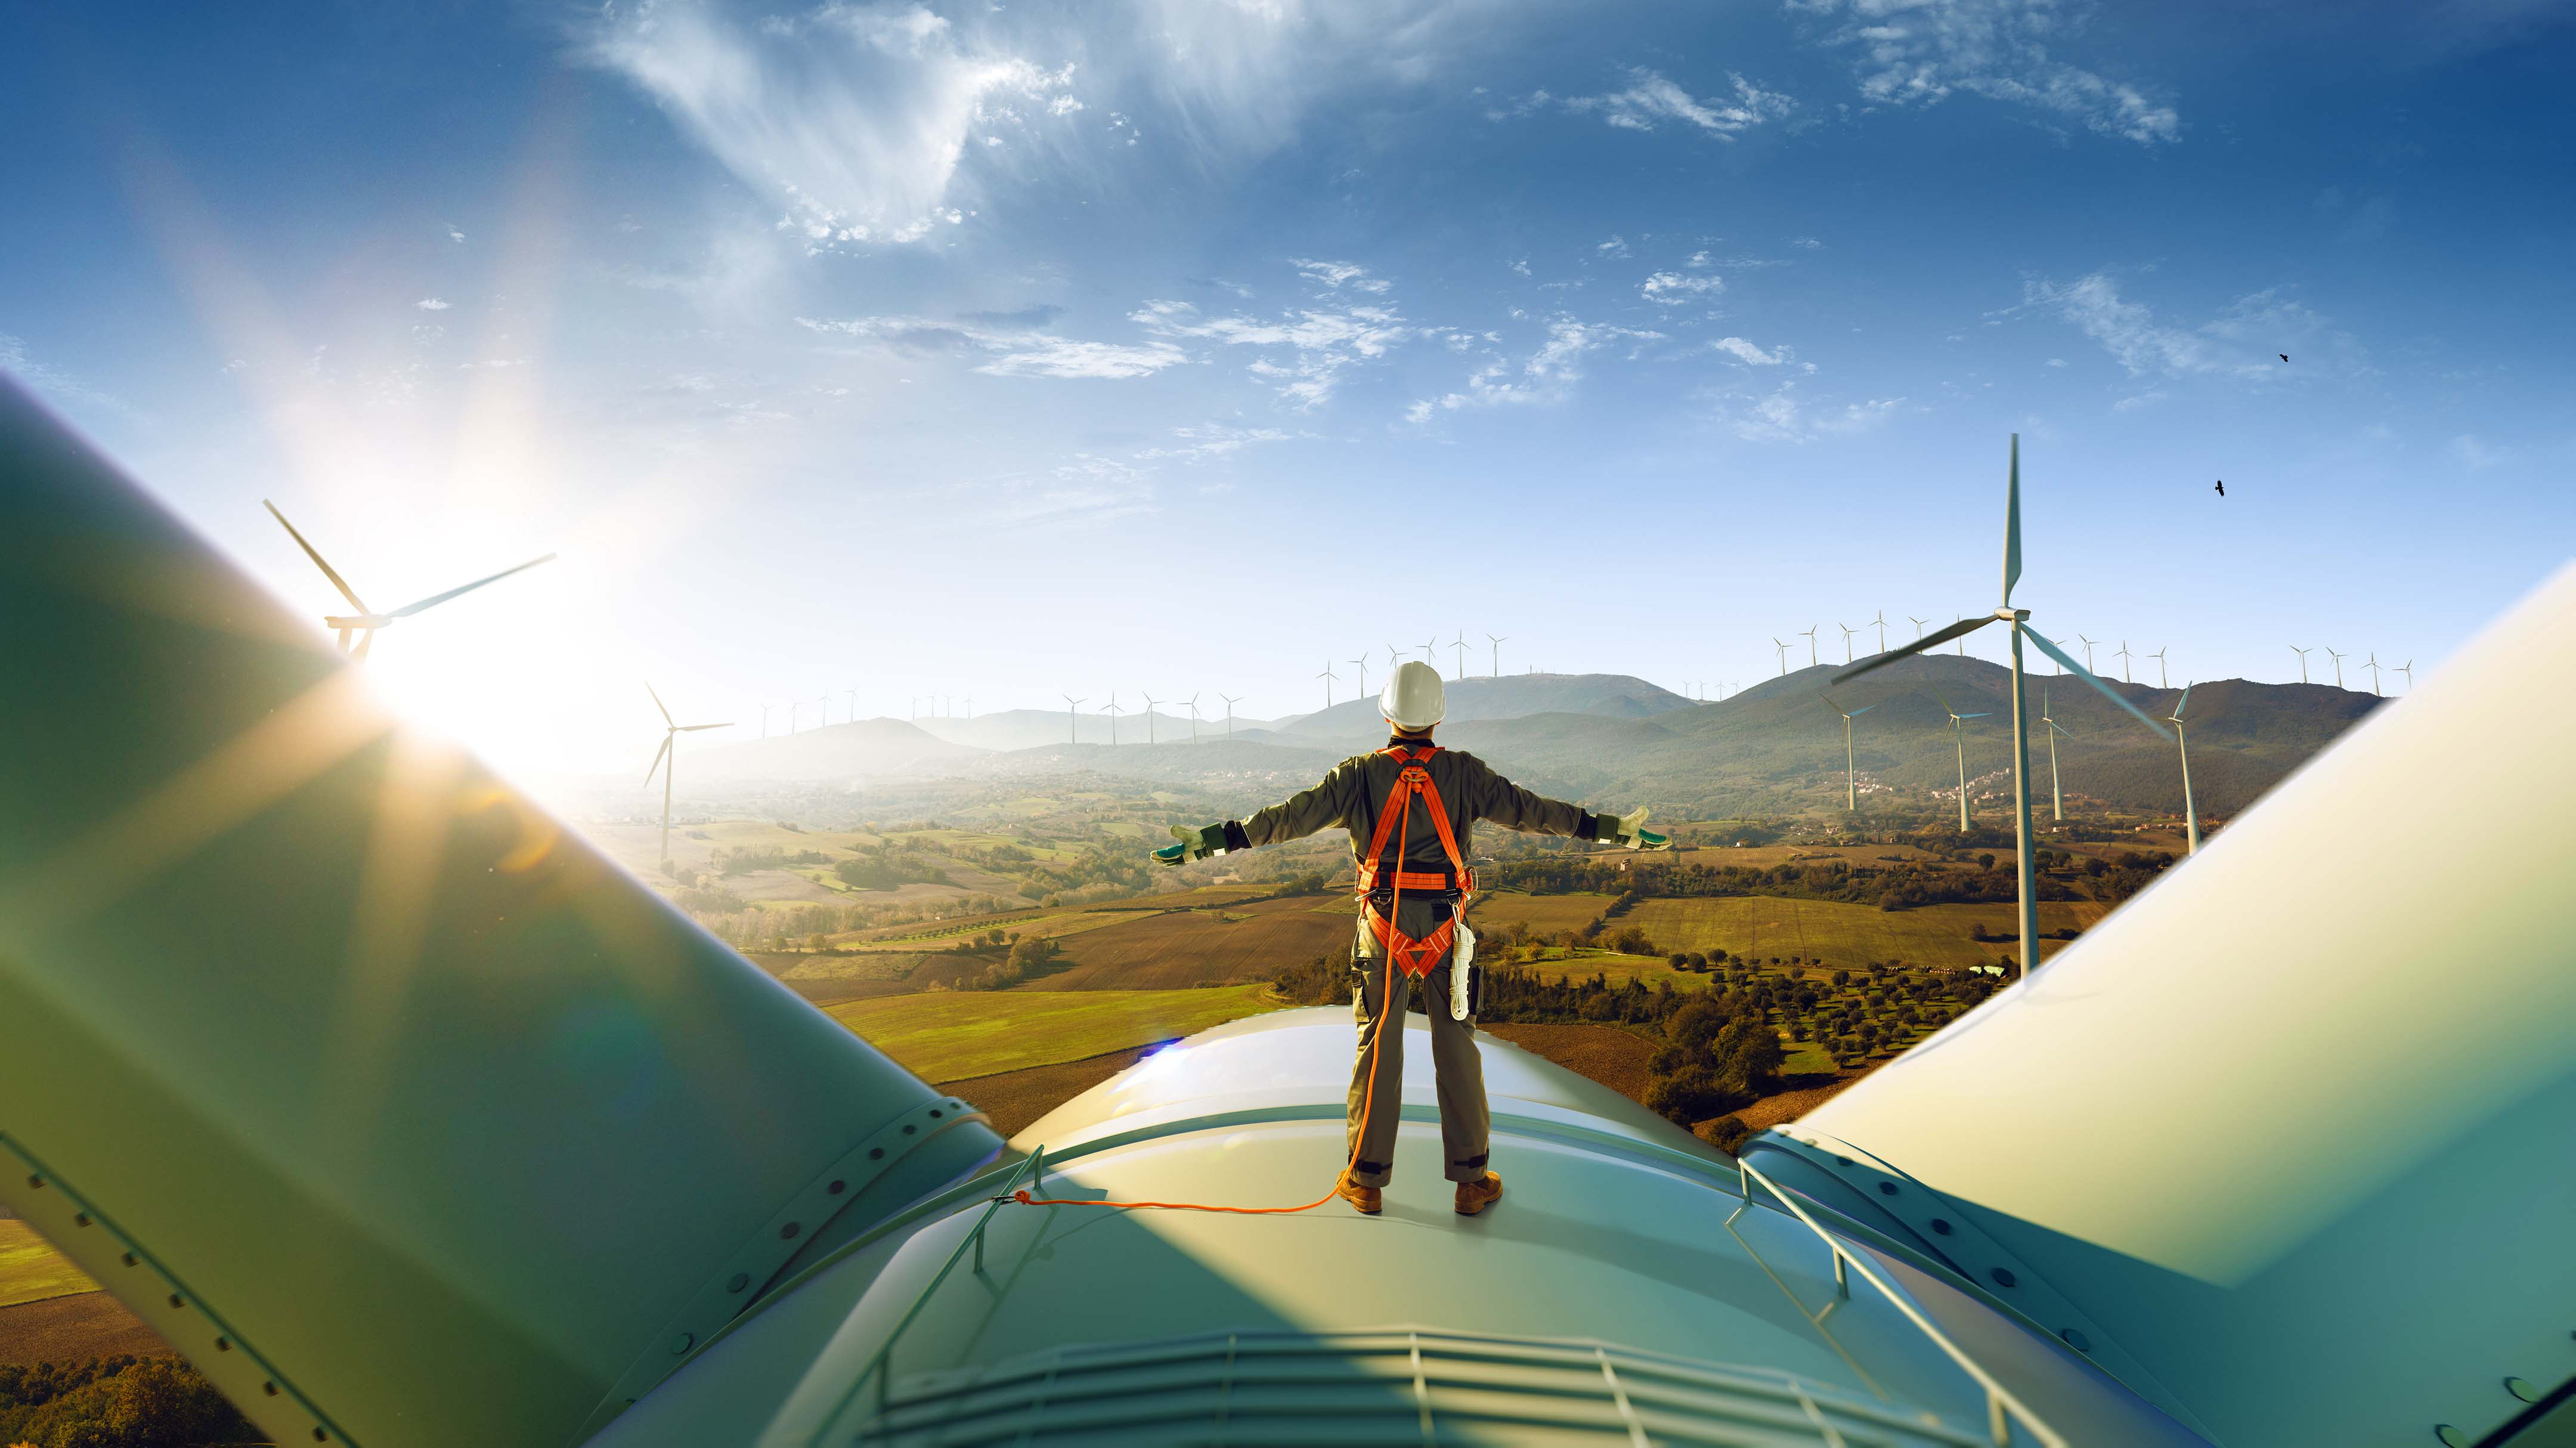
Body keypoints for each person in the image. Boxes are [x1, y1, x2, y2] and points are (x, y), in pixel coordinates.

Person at [1153, 660, 1667, 1216]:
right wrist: (1614, 831)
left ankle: (1367, 1181)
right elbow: (1535, 813)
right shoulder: (1466, 774)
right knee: (1457, 1048)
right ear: (1439, 717)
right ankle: (1471, 1183)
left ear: (1385, 711)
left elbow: (1287, 818)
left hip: (1381, 926)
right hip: (1448, 925)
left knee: (1379, 1047)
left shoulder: (1356, 776)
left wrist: (1212, 841)